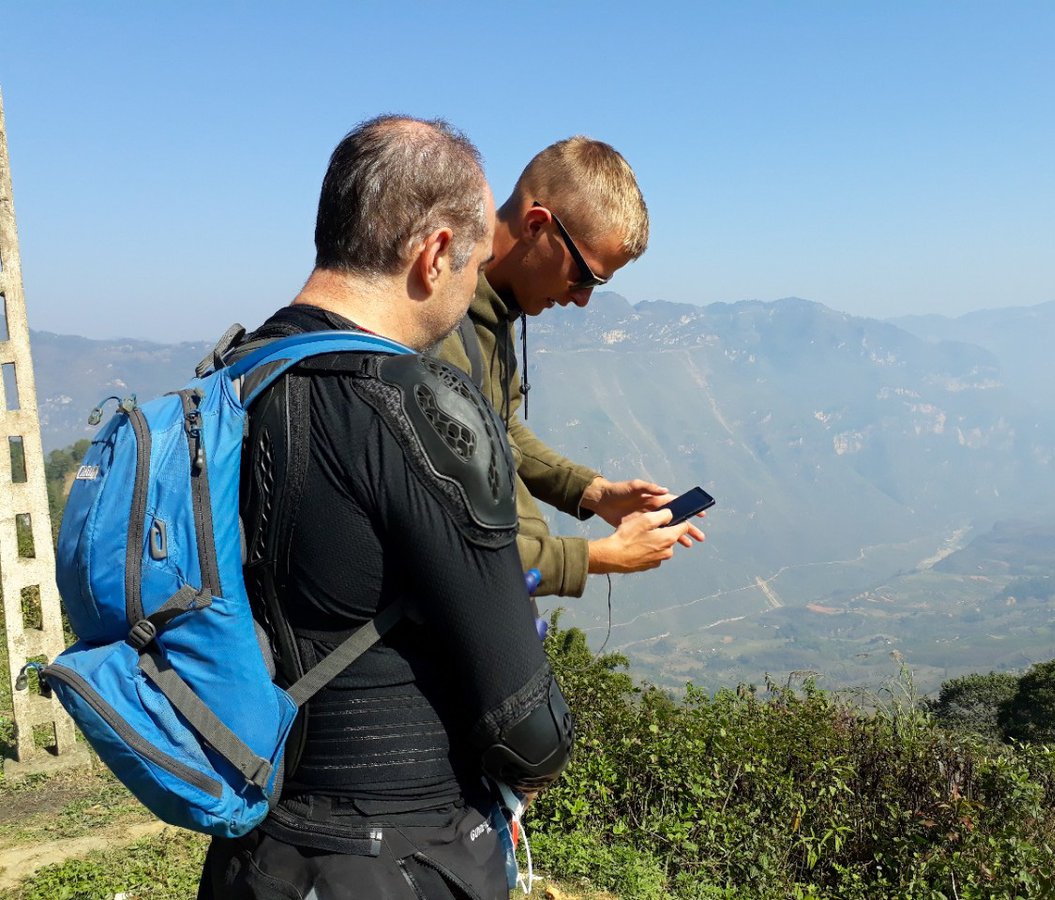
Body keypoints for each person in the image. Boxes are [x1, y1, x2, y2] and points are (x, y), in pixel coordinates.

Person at [198, 116, 572, 900]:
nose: (472, 282)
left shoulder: (229, 380)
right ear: (435, 253)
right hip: (401, 855)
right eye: (471, 263)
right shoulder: (416, 408)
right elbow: (528, 728)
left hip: (252, 851)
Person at [436, 137, 704, 599]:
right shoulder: (438, 329)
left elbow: (500, 430)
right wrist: (598, 557)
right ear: (537, 225)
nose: (582, 299)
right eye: (585, 276)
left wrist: (595, 494)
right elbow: (447, 542)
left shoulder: (497, 312)